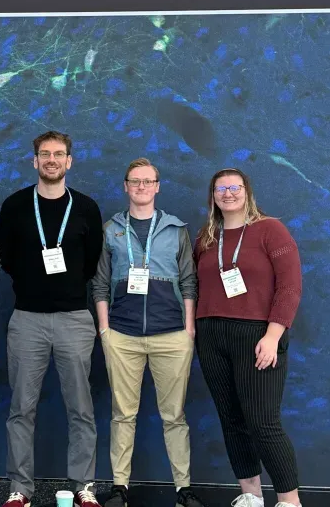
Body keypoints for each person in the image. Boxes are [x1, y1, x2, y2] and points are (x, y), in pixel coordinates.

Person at [0, 130, 104, 507]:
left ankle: (83, 487)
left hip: (75, 318)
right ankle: (20, 489)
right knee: (21, 408)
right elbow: (7, 260)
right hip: (27, 319)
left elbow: (91, 263)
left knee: (81, 408)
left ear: (69, 161)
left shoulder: (87, 208)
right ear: (35, 161)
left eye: (59, 154)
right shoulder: (14, 206)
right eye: (45, 154)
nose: (52, 160)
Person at [91, 158, 206, 507]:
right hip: (122, 336)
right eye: (134, 181)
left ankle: (183, 489)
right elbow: (98, 284)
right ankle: (119, 487)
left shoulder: (176, 230)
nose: (141, 187)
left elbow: (189, 281)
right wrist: (105, 330)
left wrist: (188, 330)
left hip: (171, 335)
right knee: (122, 414)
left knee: (175, 416)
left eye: (148, 181)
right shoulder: (110, 229)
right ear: (125, 186)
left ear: (157, 186)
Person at [193, 168, 304, 507]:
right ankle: (250, 495)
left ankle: (289, 500)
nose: (228, 193)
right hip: (212, 336)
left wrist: (273, 336)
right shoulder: (206, 238)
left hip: (258, 335)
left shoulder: (270, 229)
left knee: (263, 422)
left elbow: (290, 286)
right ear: (212, 196)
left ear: (247, 191)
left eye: (235, 187)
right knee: (232, 420)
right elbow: (198, 287)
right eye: (220, 188)